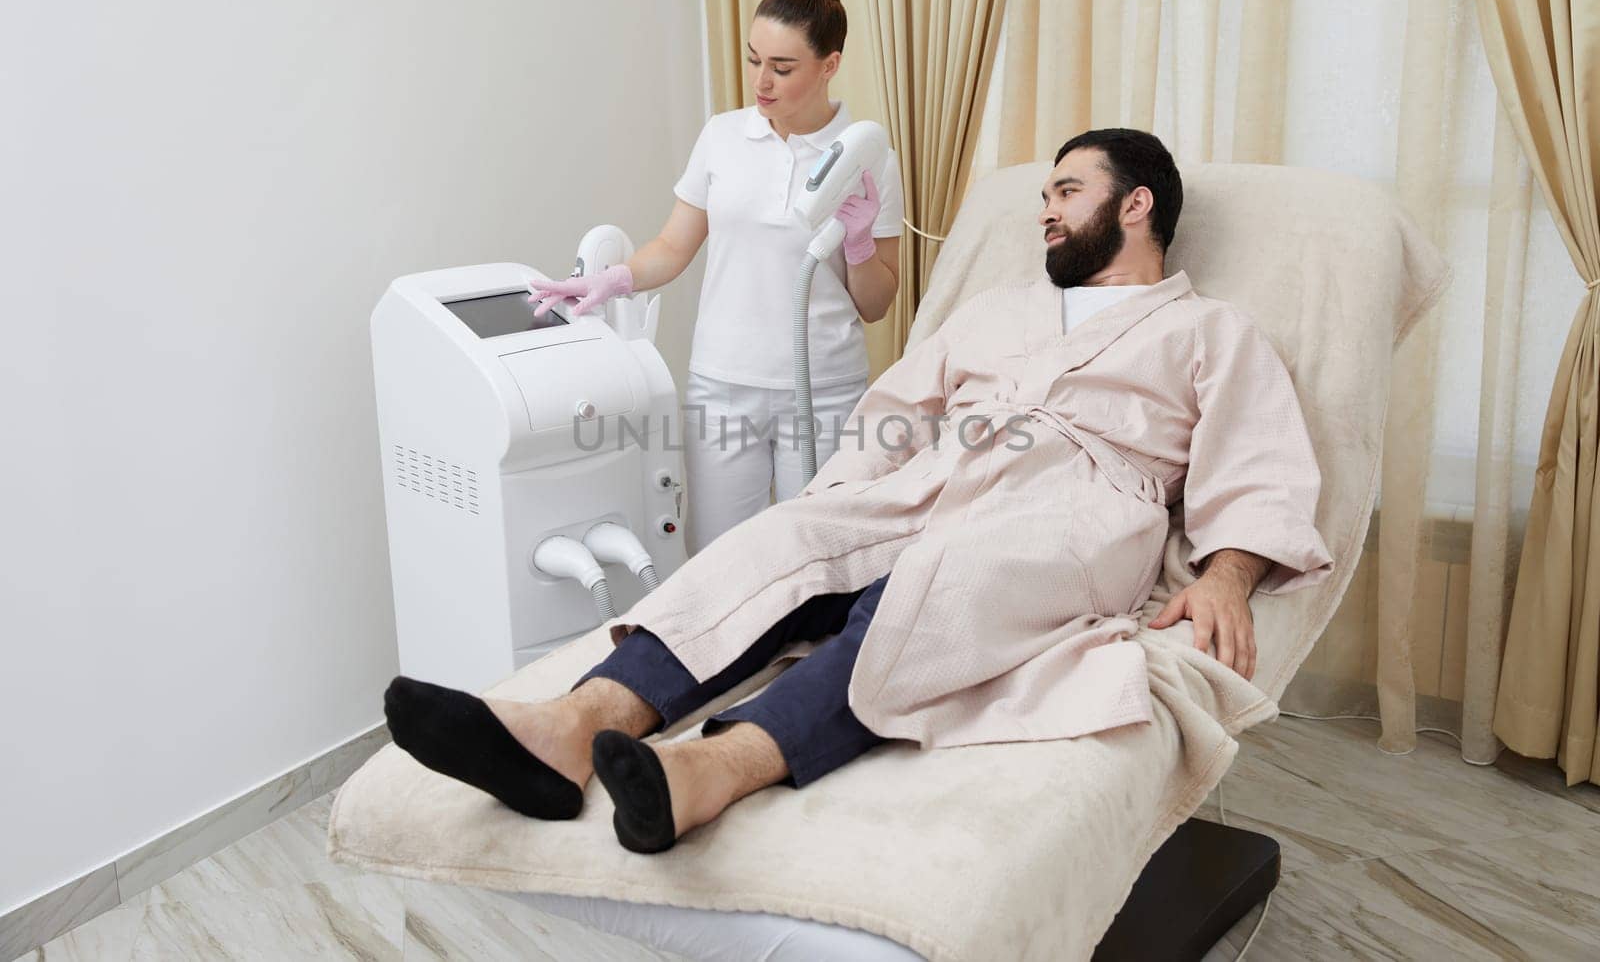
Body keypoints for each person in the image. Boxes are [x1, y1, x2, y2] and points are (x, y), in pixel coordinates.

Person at [385, 128, 1334, 854]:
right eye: (1041, 193)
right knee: (776, 545)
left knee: (944, 586)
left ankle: (712, 769)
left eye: (1067, 191)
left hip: (1078, 503)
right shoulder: (998, 310)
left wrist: (1228, 575)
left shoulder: (1211, 332)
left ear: (1136, 206)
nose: (1045, 210)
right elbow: (895, 410)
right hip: (936, 472)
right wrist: (832, 508)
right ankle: (570, 725)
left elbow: (1257, 463)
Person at [527, 0, 906, 556]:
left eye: (783, 68)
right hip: (722, 382)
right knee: (722, 557)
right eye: (754, 60)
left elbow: (879, 304)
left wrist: (858, 242)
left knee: (821, 554)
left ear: (830, 64)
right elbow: (675, 246)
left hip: (824, 386)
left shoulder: (866, 156)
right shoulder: (724, 137)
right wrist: (613, 279)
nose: (761, 83)